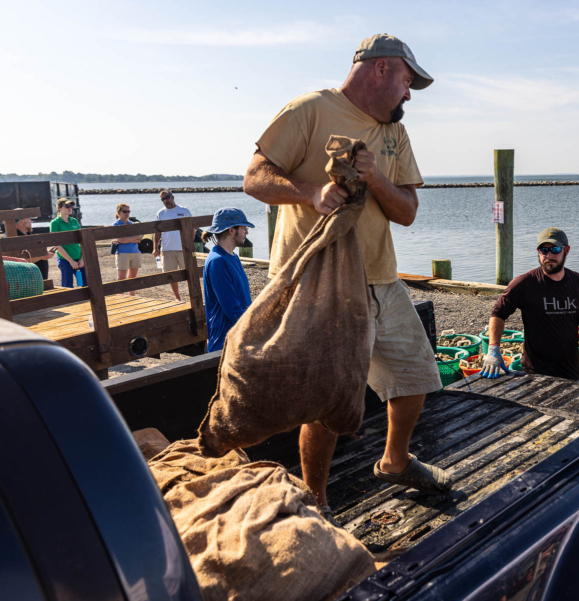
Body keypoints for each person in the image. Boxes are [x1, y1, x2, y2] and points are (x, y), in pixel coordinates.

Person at [242, 33, 448, 518]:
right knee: (328, 400)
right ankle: (316, 500)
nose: (409, 93)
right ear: (380, 69)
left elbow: (408, 212)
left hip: (380, 277)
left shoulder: (396, 133)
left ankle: (395, 462)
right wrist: (311, 192)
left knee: (417, 376)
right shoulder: (309, 109)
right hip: (318, 284)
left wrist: (375, 177)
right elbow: (255, 177)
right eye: (406, 80)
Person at [481, 227, 579, 381]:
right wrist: (494, 348)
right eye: (543, 250)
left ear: (566, 250)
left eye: (554, 249)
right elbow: (498, 313)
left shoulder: (578, 281)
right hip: (534, 374)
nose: (549, 255)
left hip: (570, 372)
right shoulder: (525, 283)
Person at [202, 208, 255, 353]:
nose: (247, 232)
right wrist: (259, 327)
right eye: (244, 228)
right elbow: (232, 309)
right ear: (231, 231)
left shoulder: (232, 257)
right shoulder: (217, 261)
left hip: (240, 338)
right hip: (224, 345)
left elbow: (243, 300)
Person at [153, 190, 192, 301]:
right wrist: (155, 247)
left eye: (167, 197)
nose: (166, 200)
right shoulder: (160, 213)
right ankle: (177, 297)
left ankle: (192, 295)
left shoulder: (184, 211)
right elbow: (157, 232)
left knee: (189, 273)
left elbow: (192, 228)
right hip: (167, 249)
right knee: (171, 275)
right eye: (163, 199)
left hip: (183, 248)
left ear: (172, 197)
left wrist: (190, 242)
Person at [49, 198, 85, 288]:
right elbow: (57, 244)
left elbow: (83, 240)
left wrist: (82, 259)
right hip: (65, 259)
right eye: (67, 206)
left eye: (71, 206)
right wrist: (71, 261)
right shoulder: (55, 223)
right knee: (67, 286)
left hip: (79, 257)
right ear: (59, 208)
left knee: (85, 284)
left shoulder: (74, 221)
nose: (70, 208)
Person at [5, 215, 52, 280]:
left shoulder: (28, 236)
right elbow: (15, 261)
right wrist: (41, 257)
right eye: (29, 219)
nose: (31, 222)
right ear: (21, 222)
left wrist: (44, 254)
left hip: (36, 280)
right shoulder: (11, 238)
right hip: (26, 281)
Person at [112, 203, 143, 296]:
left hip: (135, 252)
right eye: (125, 211)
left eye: (128, 211)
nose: (127, 213)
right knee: (121, 277)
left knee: (133, 277)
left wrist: (127, 239)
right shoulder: (116, 224)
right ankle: (121, 297)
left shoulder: (132, 224)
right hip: (122, 253)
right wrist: (132, 239)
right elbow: (120, 239)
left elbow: (140, 238)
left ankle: (132, 296)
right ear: (119, 212)